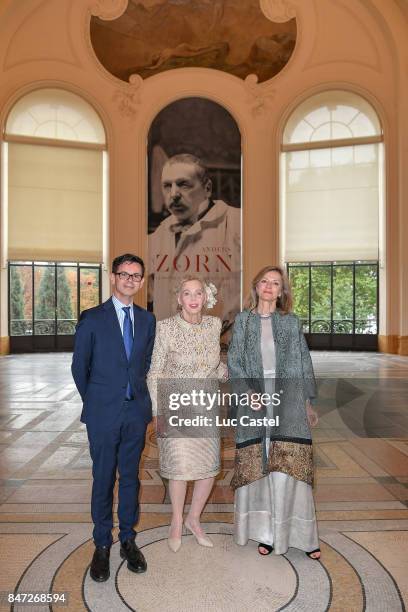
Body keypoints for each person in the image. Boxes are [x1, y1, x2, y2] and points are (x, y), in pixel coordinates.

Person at [71, 254, 156, 582]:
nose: (130, 280)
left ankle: (128, 539)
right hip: (102, 414)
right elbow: (80, 367)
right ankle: (102, 543)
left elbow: (144, 363)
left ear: (142, 281)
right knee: (104, 478)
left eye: (136, 276)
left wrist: (134, 393)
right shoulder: (92, 318)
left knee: (131, 478)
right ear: (113, 277)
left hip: (135, 412)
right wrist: (96, 402)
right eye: (124, 274)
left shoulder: (147, 320)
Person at [228, 265, 320, 559]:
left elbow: (304, 362)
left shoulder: (291, 322)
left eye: (276, 283)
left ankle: (302, 536)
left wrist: (307, 402)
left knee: (289, 466)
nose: (269, 286)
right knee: (260, 464)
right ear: (256, 287)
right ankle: (266, 533)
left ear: (282, 292)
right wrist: (248, 394)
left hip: (288, 400)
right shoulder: (242, 321)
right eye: (264, 281)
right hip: (254, 399)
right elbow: (234, 363)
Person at [147, 276, 227, 552]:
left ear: (206, 298)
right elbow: (155, 371)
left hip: (207, 406)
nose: (193, 298)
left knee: (208, 469)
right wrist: (158, 411)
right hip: (175, 406)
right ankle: (176, 521)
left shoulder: (214, 325)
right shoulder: (165, 328)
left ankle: (194, 519)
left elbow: (214, 365)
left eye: (198, 293)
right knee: (180, 469)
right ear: (179, 298)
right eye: (187, 293)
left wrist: (229, 372)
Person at [148, 153, 240, 332]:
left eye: (183, 184)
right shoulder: (159, 234)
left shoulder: (238, 224)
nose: (173, 194)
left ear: (207, 188)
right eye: (167, 186)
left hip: (220, 347)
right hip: (170, 348)